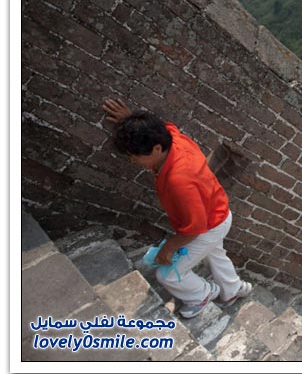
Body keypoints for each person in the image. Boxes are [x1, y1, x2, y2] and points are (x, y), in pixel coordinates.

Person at [102, 98, 252, 318]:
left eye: (136, 156)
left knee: (168, 276)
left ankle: (202, 294)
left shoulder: (179, 180)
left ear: (156, 148)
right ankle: (233, 289)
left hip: (208, 226)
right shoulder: (171, 137)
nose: (133, 160)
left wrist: (168, 248)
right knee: (215, 254)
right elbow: (159, 127)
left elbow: (195, 228)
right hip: (218, 211)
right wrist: (132, 123)